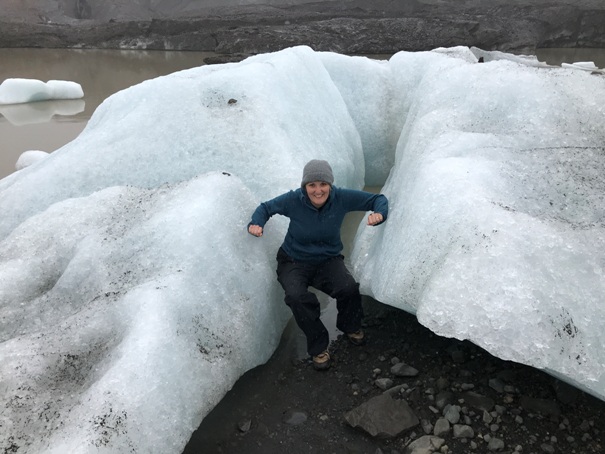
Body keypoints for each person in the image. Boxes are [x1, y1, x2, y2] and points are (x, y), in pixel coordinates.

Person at [247, 159, 388, 370]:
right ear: (305, 186)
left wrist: (380, 214)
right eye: (312, 185)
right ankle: (318, 345)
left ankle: (350, 326)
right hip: (293, 260)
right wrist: (256, 223)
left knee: (348, 288)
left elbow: (378, 199)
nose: (318, 190)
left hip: (327, 259)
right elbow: (265, 208)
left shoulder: (341, 198)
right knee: (297, 297)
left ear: (330, 185)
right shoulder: (294, 199)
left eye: (323, 184)